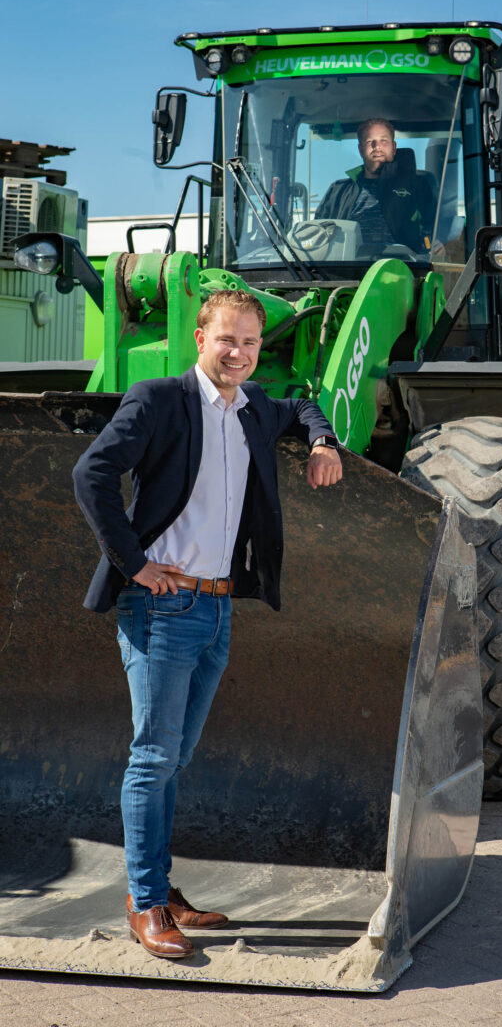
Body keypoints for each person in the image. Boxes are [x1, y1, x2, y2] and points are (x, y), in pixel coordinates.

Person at [72, 289, 342, 961]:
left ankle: (160, 887)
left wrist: (320, 439)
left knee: (174, 760)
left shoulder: (253, 409)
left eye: (250, 342)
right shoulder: (159, 399)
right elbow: (92, 472)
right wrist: (133, 563)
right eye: (228, 339)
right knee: (153, 758)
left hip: (218, 608)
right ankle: (143, 903)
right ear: (200, 338)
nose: (239, 353)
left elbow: (304, 404)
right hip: (162, 607)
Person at [315, 118, 436, 254]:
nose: (376, 146)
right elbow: (318, 237)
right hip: (348, 270)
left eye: (383, 141)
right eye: (369, 141)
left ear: (394, 147)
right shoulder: (337, 191)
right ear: (361, 150)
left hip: (405, 269)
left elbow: (435, 231)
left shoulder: (418, 186)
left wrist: (435, 245)